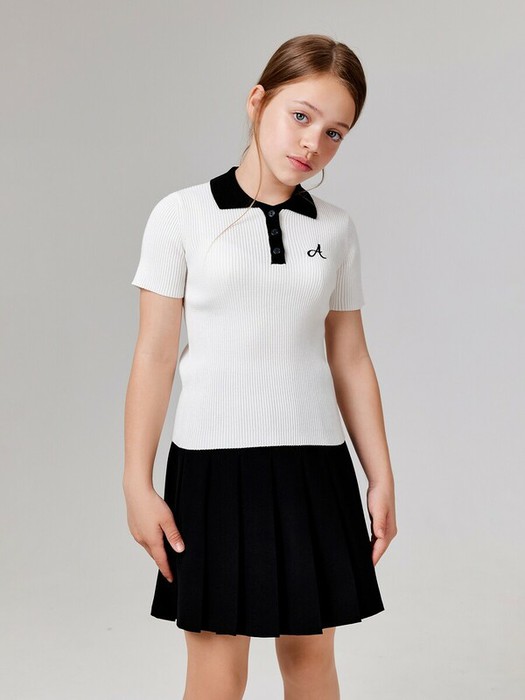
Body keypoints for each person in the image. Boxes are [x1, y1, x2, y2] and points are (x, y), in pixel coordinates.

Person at [124, 33, 397, 700]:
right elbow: (155, 356)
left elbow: (351, 358)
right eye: (300, 116)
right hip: (211, 468)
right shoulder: (181, 215)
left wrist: (380, 475)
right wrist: (136, 480)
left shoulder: (334, 230)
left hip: (314, 465)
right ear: (257, 101)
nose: (312, 143)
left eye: (334, 133)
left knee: (311, 660)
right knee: (216, 672)